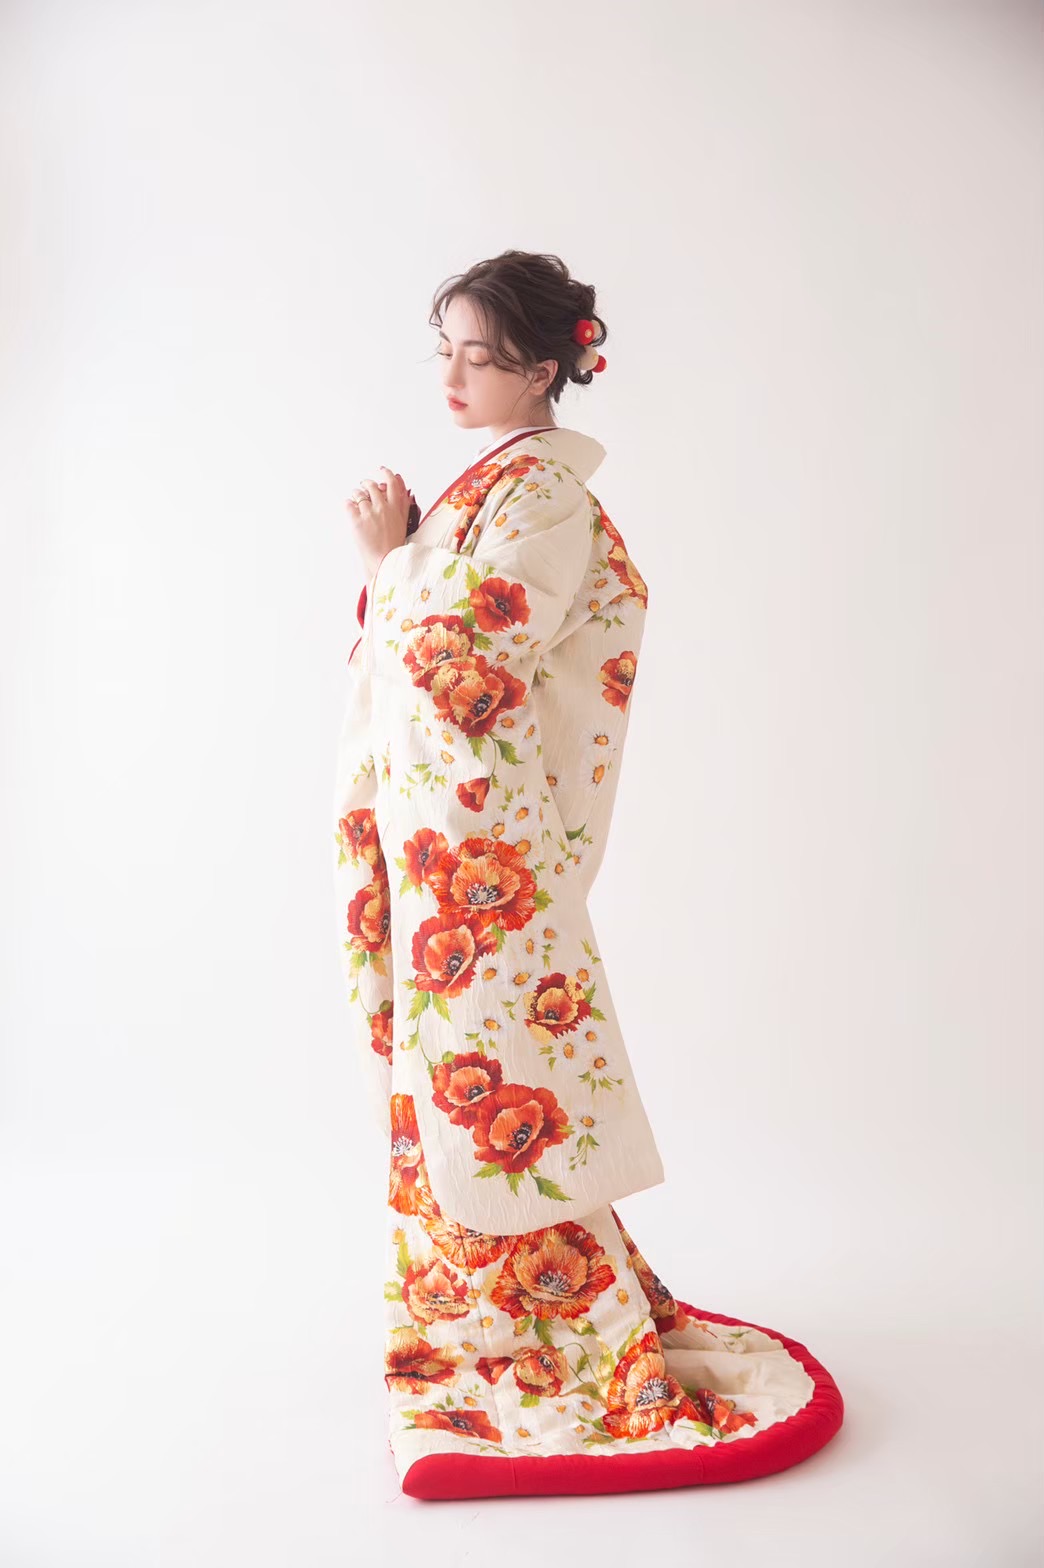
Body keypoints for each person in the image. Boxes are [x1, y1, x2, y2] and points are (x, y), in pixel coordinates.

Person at [332, 251, 844, 1499]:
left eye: (482, 355)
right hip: (448, 844)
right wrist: (402, 561)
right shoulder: (494, 487)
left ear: (545, 367)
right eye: (446, 350)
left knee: (494, 1080)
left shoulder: (545, 500)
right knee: (452, 1078)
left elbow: (468, 658)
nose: (454, 375)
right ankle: (476, 1319)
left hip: (486, 863)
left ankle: (539, 1329)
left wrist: (392, 560)